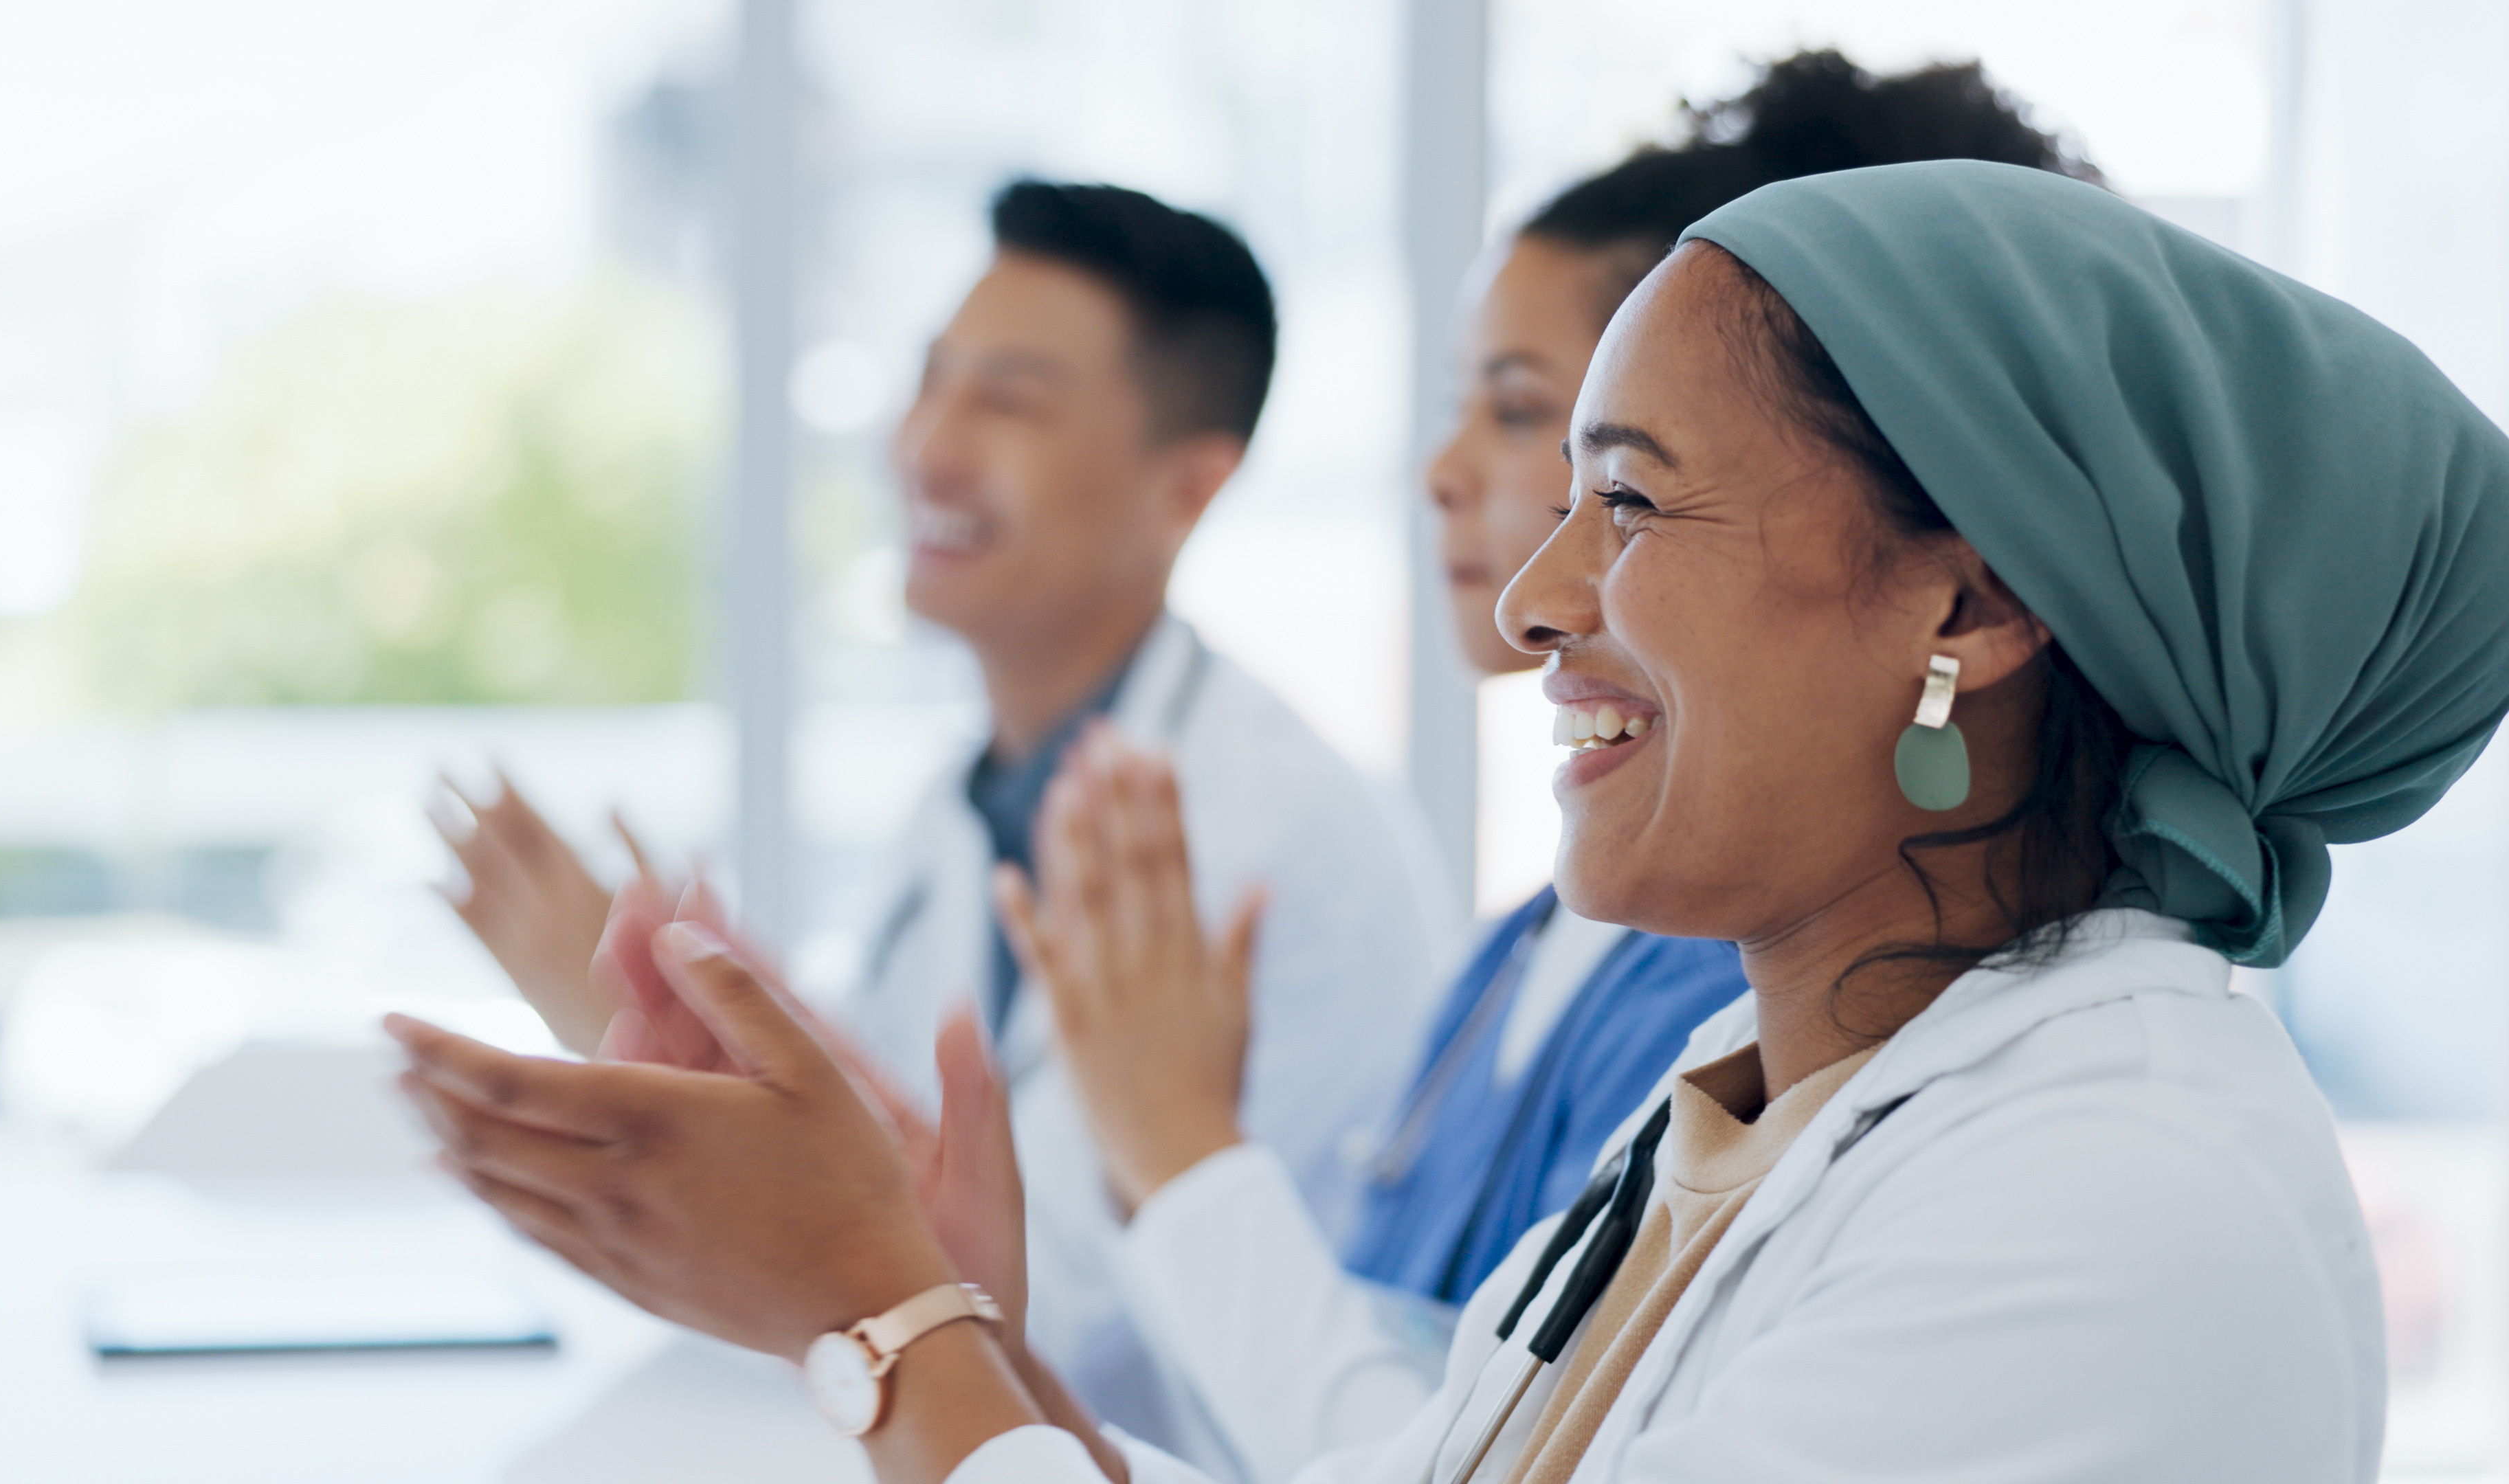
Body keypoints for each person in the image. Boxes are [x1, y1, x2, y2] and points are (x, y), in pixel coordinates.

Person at [391, 157, 2509, 1482]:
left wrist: (891, 1325)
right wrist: (973, 1332)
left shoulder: (2111, 1199)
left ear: (1969, 599)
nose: (1530, 591)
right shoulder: (1743, 1096)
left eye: (1633, 498)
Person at [1017, 54, 2102, 1484]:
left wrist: (1152, 1171)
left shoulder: (1782, 1007)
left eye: (1599, 463)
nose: (1473, 498)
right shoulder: (1535, 953)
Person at [431, 180, 1454, 1463]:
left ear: (1186, 488)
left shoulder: (1261, 834)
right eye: (932, 382)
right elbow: (917, 1197)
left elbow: (1037, 1312)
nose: (928, 444)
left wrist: (745, 1142)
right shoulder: (970, 797)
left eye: (1009, 401)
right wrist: (694, 1066)